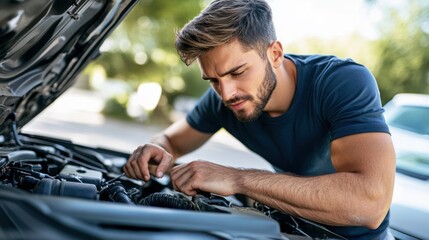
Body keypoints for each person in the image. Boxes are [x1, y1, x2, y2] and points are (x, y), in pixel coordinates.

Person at [123, 0, 396, 239]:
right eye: (214, 81)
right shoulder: (226, 99)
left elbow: (369, 203)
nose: (227, 93)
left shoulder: (340, 82)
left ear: (275, 53)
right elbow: (170, 141)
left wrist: (236, 179)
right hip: (285, 228)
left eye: (238, 72)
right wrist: (156, 148)